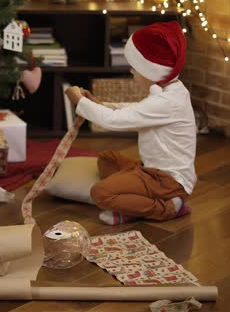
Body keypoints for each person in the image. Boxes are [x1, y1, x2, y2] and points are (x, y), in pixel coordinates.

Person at [65, 21, 197, 225]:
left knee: (100, 193)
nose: (131, 72)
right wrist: (98, 103)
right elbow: (133, 111)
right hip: (150, 170)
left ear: (152, 70)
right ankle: (131, 206)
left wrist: (79, 102)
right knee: (107, 158)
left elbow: (114, 121)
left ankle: (168, 208)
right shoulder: (171, 90)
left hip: (166, 181)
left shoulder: (167, 102)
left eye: (135, 68)